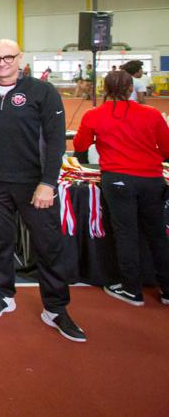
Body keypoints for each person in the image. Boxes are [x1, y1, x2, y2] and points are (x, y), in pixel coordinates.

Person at [0, 39, 85, 342]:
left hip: (34, 184)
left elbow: (56, 140)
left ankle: (56, 307)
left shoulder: (42, 92)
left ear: (20, 58)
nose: (2, 62)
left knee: (48, 245)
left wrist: (47, 183)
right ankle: (4, 294)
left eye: (9, 57)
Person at [73, 70, 169, 307]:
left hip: (117, 179)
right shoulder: (152, 114)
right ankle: (167, 289)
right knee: (157, 234)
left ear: (103, 90)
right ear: (130, 89)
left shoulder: (94, 114)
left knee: (126, 233)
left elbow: (80, 145)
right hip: (152, 178)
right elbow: (167, 149)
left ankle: (131, 289)